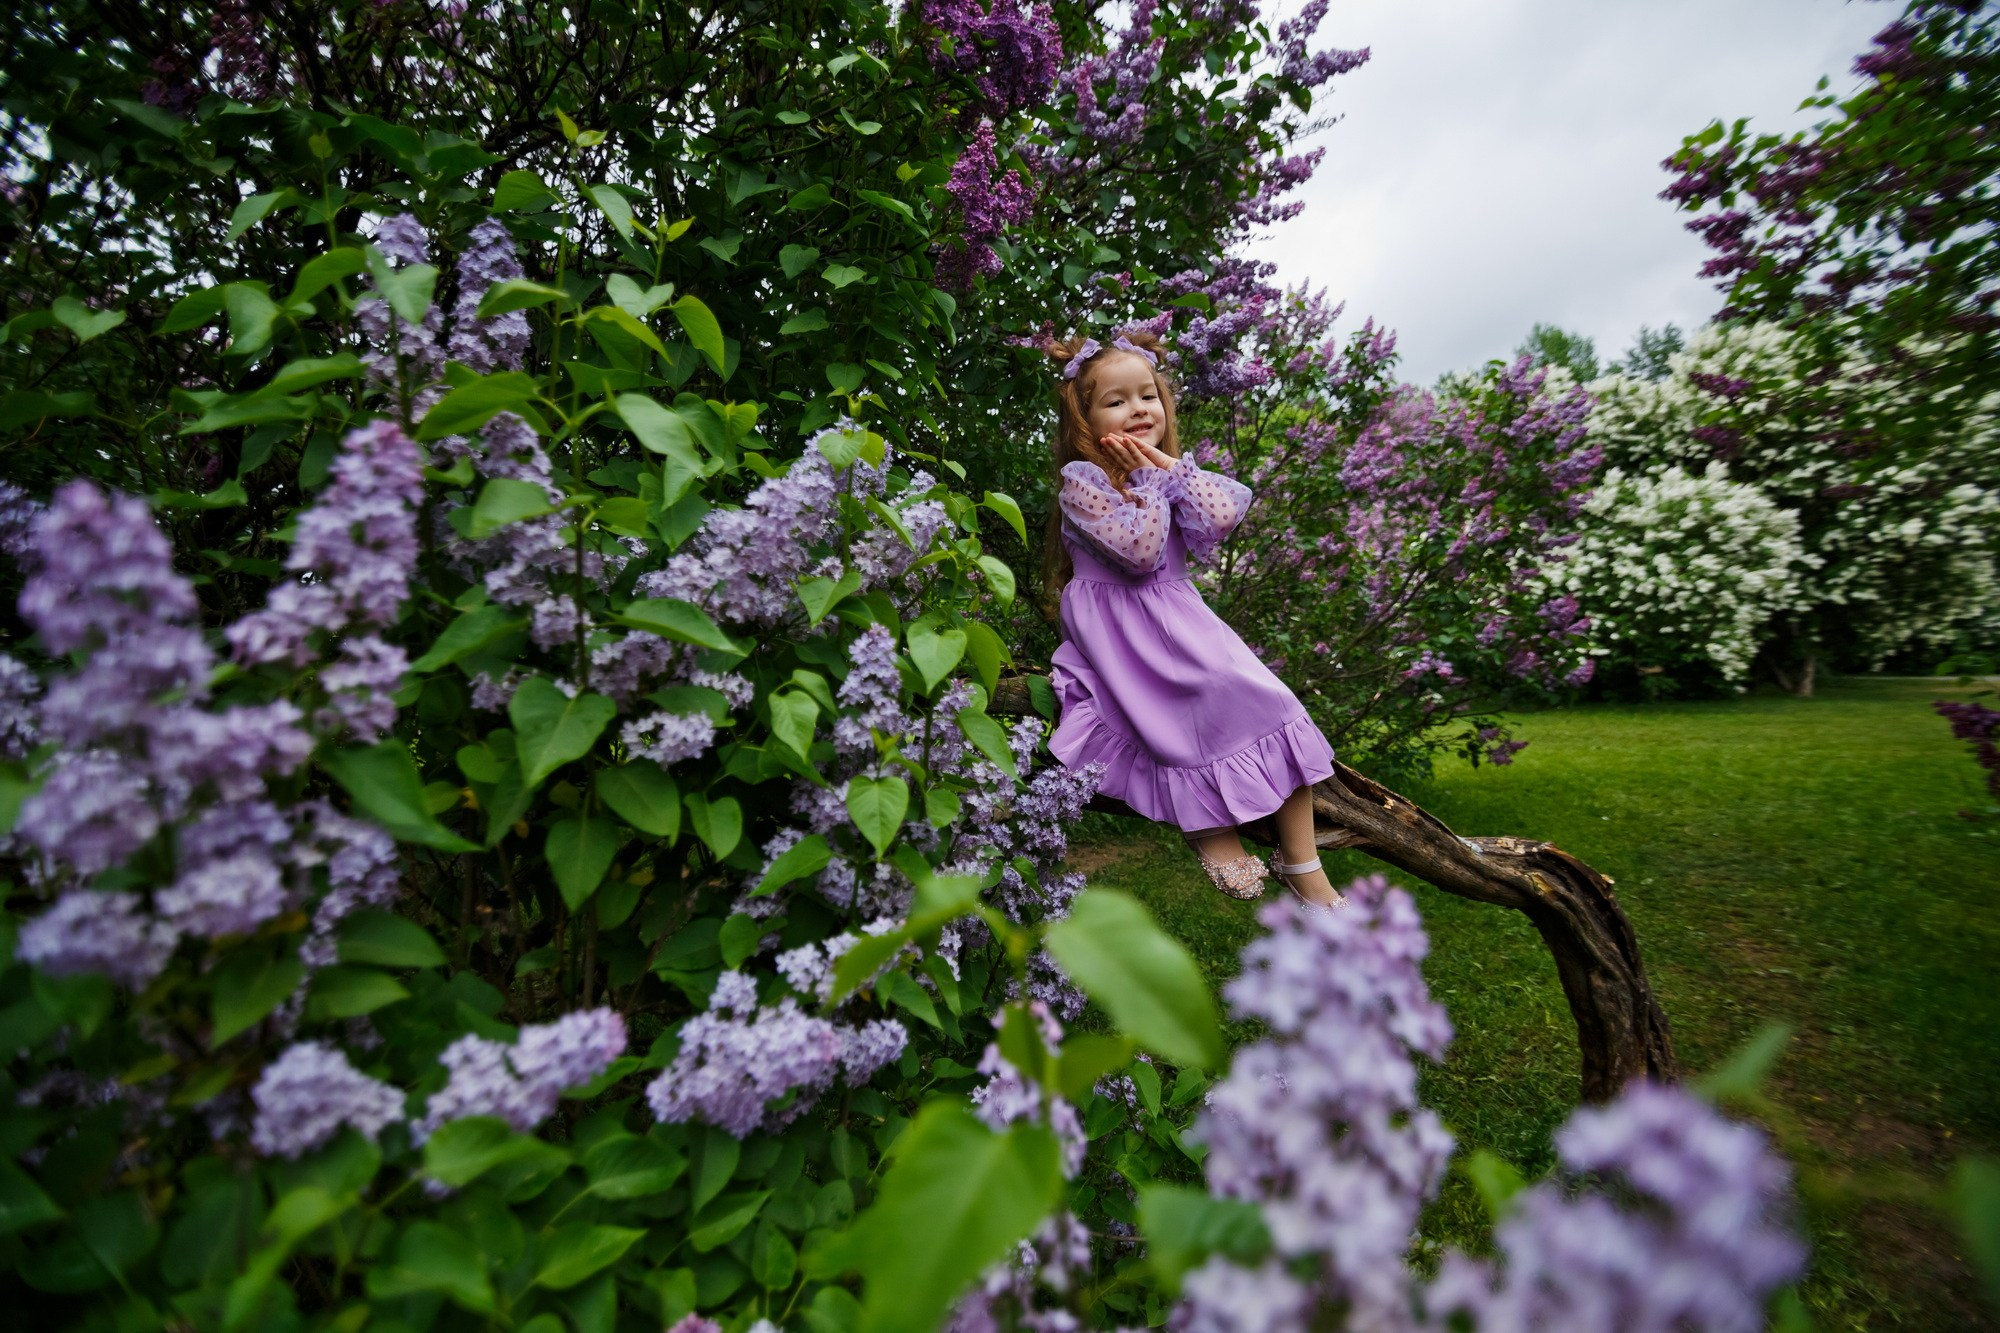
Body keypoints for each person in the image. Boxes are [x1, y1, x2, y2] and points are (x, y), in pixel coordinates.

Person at [1041, 328, 1348, 909]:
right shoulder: (1082, 485)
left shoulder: (1169, 474)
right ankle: (1212, 833)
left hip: (1180, 617)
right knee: (1169, 729)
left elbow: (1226, 509)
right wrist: (1150, 487)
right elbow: (1140, 551)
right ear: (1085, 421)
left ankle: (1302, 862)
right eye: (1117, 400)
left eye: (1148, 395)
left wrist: (1168, 470)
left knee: (1271, 702)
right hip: (1123, 634)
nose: (1138, 409)